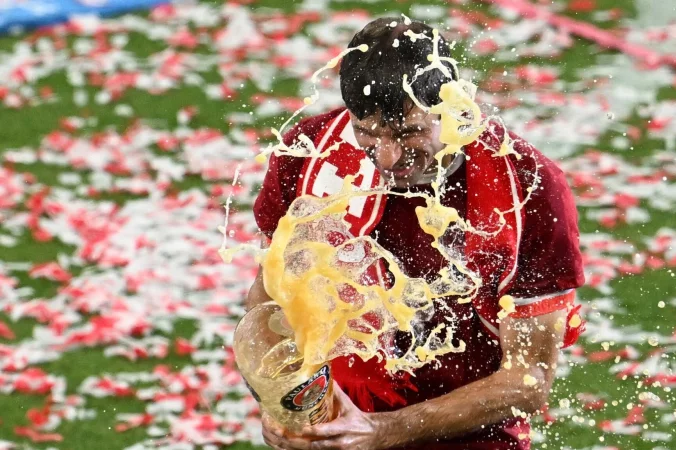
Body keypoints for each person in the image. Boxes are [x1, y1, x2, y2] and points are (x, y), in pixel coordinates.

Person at [246, 17, 585, 450]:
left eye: (409, 133)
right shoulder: (307, 151)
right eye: (367, 134)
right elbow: (267, 299)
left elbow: (529, 379)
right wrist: (280, 402)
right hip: (332, 423)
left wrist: (383, 432)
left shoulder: (528, 188)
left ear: (454, 106)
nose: (387, 157)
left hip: (471, 435)